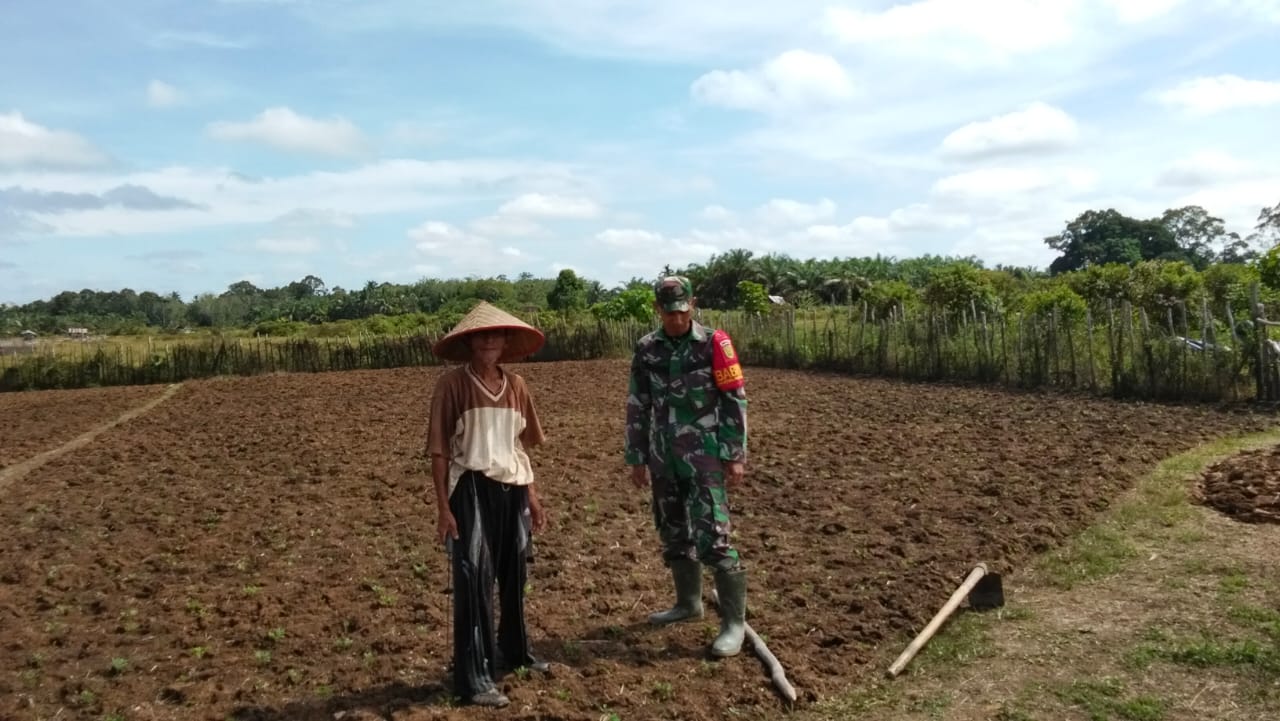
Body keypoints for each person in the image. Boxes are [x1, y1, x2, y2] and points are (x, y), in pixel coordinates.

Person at [427, 300, 551, 708]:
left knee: (514, 575)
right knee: (474, 580)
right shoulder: (452, 385)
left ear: (505, 341)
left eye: (495, 335)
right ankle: (473, 679)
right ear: (469, 342)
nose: (488, 341)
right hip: (471, 489)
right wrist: (443, 508)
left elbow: (518, 446)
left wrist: (531, 495)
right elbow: (440, 451)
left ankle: (514, 652)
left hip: (513, 489)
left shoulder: (516, 386)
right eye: (481, 335)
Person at [624, 275, 750, 658]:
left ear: (691, 304)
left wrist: (734, 453)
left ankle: (734, 625)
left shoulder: (715, 343)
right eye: (668, 312)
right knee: (673, 532)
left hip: (705, 458)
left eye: (682, 311)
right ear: (657, 309)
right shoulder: (647, 349)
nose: (676, 319)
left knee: (714, 534)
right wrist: (637, 456)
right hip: (664, 459)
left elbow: (734, 398)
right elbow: (637, 404)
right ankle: (688, 604)